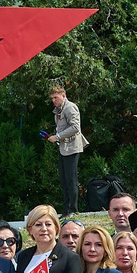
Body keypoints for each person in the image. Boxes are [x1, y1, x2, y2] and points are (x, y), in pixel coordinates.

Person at [44, 84, 85, 214]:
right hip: (63, 148)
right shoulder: (58, 110)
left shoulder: (70, 107)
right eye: (52, 98)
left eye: (55, 97)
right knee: (64, 180)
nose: (53, 100)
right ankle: (66, 209)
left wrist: (57, 137)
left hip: (72, 148)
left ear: (64, 95)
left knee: (71, 180)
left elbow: (75, 127)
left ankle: (73, 209)